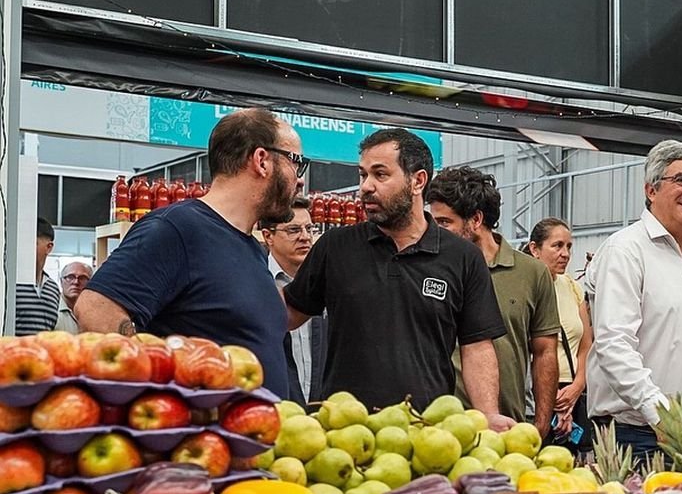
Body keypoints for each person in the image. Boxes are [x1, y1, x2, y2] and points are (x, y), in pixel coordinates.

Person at [283, 128, 512, 430]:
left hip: (427, 433)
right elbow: (287, 313)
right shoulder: (334, 247)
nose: (365, 186)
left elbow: (477, 346)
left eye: (380, 175)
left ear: (417, 181)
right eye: (363, 174)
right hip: (344, 432)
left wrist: (487, 414)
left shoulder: (462, 257)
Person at [76, 108, 296, 396]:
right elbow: (95, 309)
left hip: (258, 434)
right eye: (296, 162)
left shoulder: (251, 247)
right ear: (262, 161)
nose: (299, 178)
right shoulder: (176, 229)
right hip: (201, 438)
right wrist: (158, 392)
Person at [587, 139, 682, 463]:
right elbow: (614, 344)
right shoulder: (625, 251)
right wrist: (661, 416)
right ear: (651, 190)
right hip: (636, 437)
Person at [425, 166, 560, 435]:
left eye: (444, 223)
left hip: (507, 428)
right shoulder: (428, 268)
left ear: (475, 219)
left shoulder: (531, 273)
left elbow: (545, 352)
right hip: (440, 428)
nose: (434, 231)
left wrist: (542, 424)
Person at [527, 217, 593, 452]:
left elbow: (586, 343)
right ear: (535, 249)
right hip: (538, 393)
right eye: (557, 246)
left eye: (569, 247)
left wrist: (578, 385)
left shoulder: (572, 286)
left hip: (573, 391)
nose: (565, 253)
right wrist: (550, 399)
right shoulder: (525, 287)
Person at [260, 197, 326, 405]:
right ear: (268, 236)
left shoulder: (323, 284)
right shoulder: (258, 284)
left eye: (309, 229)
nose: (305, 237)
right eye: (294, 230)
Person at [15, 218, 61, 336]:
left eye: (32, 243)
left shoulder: (53, 289)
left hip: (41, 353)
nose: (24, 248)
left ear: (49, 247)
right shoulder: (9, 284)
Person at [55, 261, 93, 334]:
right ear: (61, 281)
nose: (76, 282)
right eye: (70, 277)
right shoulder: (51, 310)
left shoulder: (95, 313)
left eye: (82, 278)